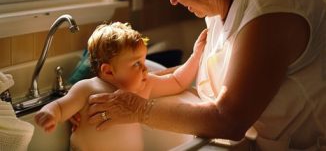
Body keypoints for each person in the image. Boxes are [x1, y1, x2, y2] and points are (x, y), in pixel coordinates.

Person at [86, 0, 326, 150]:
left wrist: (139, 110)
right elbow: (220, 76)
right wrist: (121, 86)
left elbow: (229, 120)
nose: (173, 0)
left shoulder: (269, 14)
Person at [34, 21, 207, 151]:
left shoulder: (143, 86)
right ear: (108, 71)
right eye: (137, 64)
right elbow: (60, 106)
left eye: (143, 60)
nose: (145, 68)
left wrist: (196, 55)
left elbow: (177, 81)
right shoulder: (87, 89)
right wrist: (50, 114)